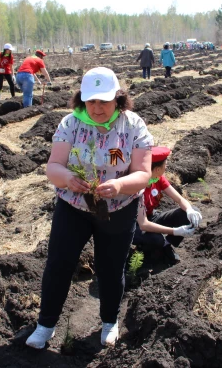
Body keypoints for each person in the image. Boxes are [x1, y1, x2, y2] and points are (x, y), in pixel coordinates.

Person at [26, 67, 153, 349]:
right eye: (91, 101)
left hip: (118, 208)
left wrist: (119, 186)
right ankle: (45, 325)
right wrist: (68, 178)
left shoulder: (133, 125)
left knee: (110, 268)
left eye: (104, 101)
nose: (97, 108)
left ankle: (109, 321)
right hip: (74, 205)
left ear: (118, 99)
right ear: (82, 99)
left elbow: (143, 173)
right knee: (59, 263)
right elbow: (54, 165)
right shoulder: (70, 124)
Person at [133, 146, 201, 264]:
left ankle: (166, 245)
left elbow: (180, 200)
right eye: (165, 165)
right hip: (133, 226)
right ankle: (146, 249)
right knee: (155, 239)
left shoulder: (158, 178)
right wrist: (175, 231)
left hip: (150, 217)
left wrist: (190, 210)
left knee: (190, 214)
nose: (166, 167)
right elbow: (143, 224)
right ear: (157, 169)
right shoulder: (138, 186)